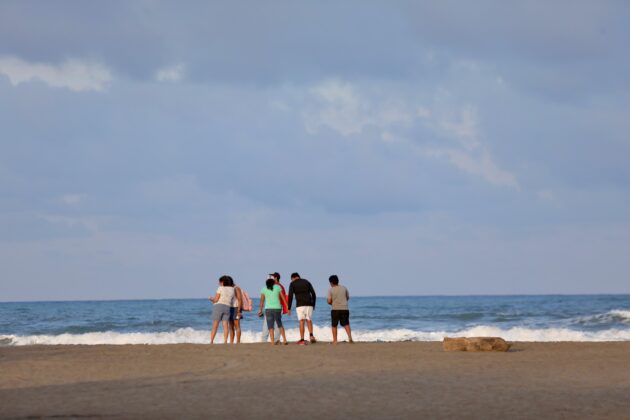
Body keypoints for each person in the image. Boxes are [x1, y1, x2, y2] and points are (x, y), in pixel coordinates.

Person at [287, 272, 317, 345]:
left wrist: (289, 308)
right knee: (309, 320)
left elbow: (290, 296)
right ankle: (311, 336)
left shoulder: (292, 283)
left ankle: (302, 340)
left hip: (300, 305)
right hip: (309, 304)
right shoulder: (306, 281)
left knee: (301, 321)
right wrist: (313, 304)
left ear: (293, 278)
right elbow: (313, 293)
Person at [258, 278, 289, 346]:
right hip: (277, 308)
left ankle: (272, 342)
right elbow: (283, 297)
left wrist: (260, 309)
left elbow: (262, 301)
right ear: (273, 283)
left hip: (268, 309)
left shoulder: (264, 289)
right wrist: (287, 306)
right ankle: (284, 340)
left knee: (270, 326)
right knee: (279, 324)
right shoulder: (278, 287)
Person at [327, 274, 353, 344]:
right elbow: (347, 297)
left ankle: (335, 340)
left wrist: (332, 303)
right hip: (345, 308)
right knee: (346, 324)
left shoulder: (331, 290)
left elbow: (329, 301)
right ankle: (350, 338)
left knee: (334, 325)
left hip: (335, 309)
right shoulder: (344, 288)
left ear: (331, 282)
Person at [209, 275, 235, 344]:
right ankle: (225, 341)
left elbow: (216, 300)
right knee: (225, 325)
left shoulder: (220, 288)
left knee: (215, 325)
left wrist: (210, 298)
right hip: (227, 307)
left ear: (223, 282)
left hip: (219, 306)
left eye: (220, 282)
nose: (219, 283)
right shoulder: (232, 289)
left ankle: (211, 341)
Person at [224, 276, 243, 344]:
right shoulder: (229, 289)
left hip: (236, 308)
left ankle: (238, 342)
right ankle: (231, 342)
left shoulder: (236, 288)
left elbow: (240, 299)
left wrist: (239, 311)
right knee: (231, 327)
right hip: (229, 308)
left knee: (237, 326)